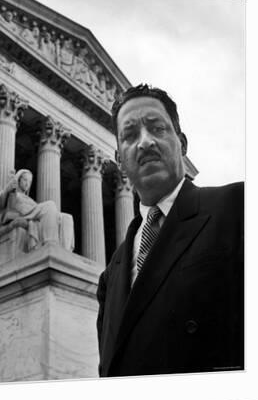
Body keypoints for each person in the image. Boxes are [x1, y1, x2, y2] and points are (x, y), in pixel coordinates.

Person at [97, 84, 244, 377]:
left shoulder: (239, 208)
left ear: (182, 143)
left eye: (157, 128)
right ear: (119, 161)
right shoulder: (111, 274)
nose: (144, 142)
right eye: (129, 135)